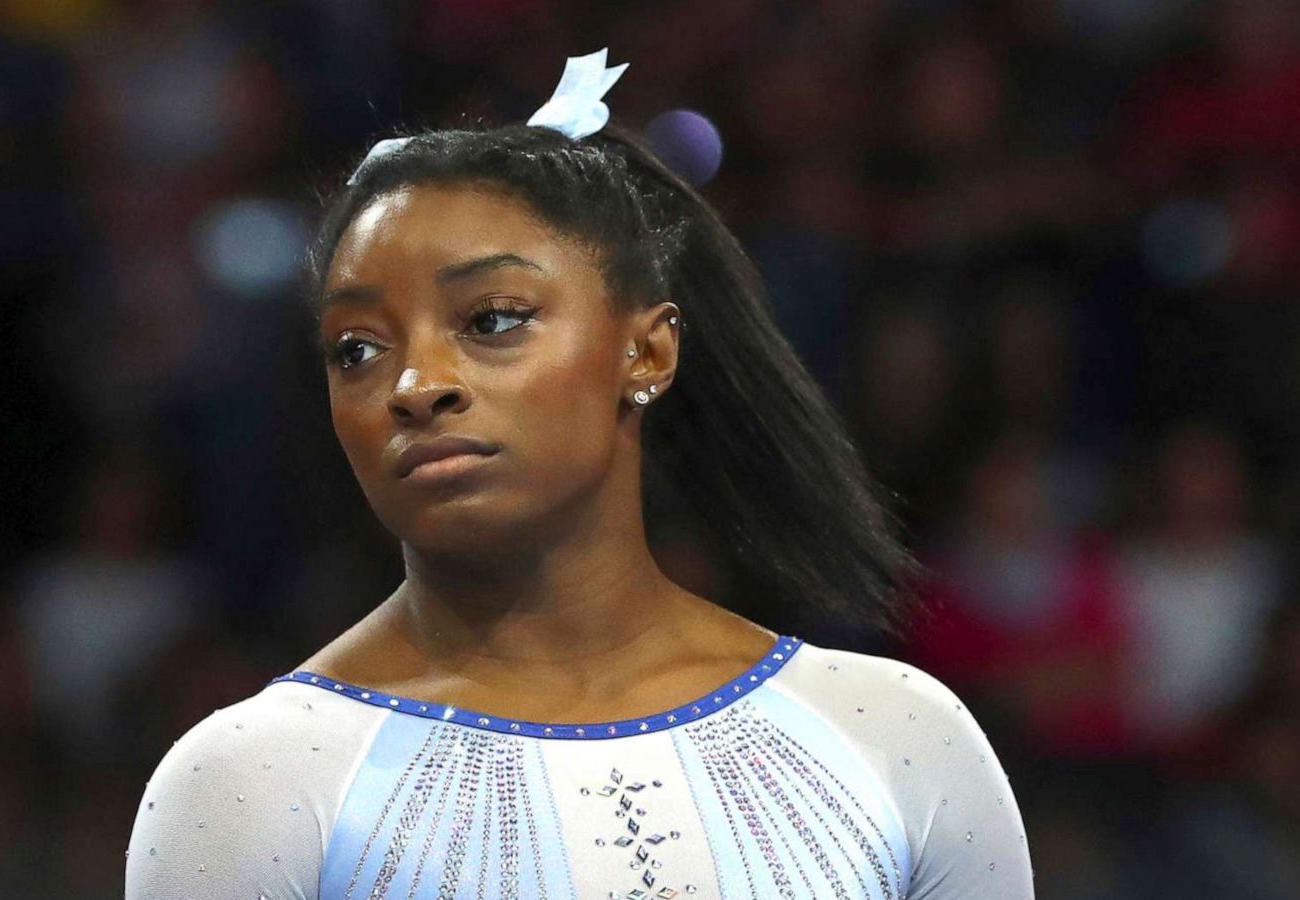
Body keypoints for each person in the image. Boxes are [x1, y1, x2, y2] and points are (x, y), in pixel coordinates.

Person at [124, 50, 1034, 899]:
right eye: (356, 347)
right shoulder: (255, 781)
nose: (414, 387)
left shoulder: (893, 737)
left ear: (646, 350)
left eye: (491, 321)